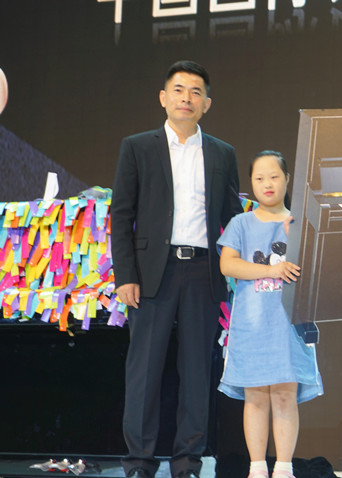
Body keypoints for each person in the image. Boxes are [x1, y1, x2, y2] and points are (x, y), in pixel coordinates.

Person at [111, 60, 243, 478]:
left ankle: (188, 462)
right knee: (144, 371)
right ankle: (139, 462)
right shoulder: (137, 147)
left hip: (203, 272)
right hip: (152, 273)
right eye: (179, 90)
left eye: (196, 92)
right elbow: (121, 215)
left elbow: (233, 218)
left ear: (207, 103)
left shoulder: (222, 153)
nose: (187, 98)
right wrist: (125, 275)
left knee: (197, 372)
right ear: (163, 98)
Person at [217, 151, 323, 478]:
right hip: (251, 323)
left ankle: (284, 468)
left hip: (289, 323)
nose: (267, 184)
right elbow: (228, 264)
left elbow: (318, 266)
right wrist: (270, 270)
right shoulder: (241, 223)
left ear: (287, 179)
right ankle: (257, 468)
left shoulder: (301, 223)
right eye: (259, 178)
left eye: (274, 176)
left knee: (285, 394)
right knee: (255, 395)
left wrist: (297, 237)